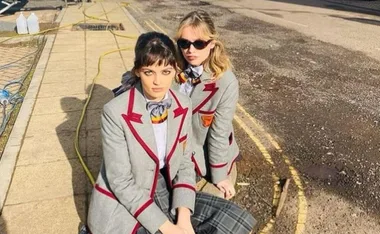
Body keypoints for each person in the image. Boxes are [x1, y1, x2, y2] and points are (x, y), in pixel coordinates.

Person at [87, 31, 256, 234]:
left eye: (166, 72)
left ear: (175, 70)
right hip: (128, 196)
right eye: (149, 72)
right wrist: (168, 228)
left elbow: (185, 163)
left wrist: (183, 220)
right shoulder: (115, 111)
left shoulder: (183, 104)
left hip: (165, 183)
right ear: (138, 71)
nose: (158, 81)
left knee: (235, 221)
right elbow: (121, 182)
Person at [173, 10, 240, 199]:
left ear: (211, 44)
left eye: (199, 43)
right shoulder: (172, 67)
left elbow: (219, 132)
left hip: (199, 149)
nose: (190, 50)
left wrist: (219, 176)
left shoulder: (226, 82)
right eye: (184, 43)